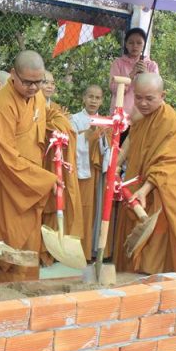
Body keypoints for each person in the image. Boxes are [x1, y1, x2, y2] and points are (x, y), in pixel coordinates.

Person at [112, 73, 176, 277]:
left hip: (163, 192)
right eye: (138, 97)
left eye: (149, 98)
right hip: (137, 186)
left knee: (157, 248)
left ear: (162, 95)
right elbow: (130, 140)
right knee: (134, 240)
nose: (143, 103)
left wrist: (144, 190)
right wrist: (116, 164)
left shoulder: (172, 122)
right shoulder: (140, 115)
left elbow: (168, 162)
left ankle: (161, 288)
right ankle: (131, 284)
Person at [0, 51, 56, 282]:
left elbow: (43, 126)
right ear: (13, 74)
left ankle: (28, 291)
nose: (33, 88)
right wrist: (44, 180)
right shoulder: (2, 104)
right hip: (9, 184)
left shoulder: (38, 98)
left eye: (39, 82)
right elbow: (5, 156)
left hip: (32, 186)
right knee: (8, 243)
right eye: (27, 82)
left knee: (29, 242)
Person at [40, 71, 84, 265]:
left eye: (52, 83)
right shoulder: (29, 106)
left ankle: (50, 253)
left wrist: (57, 124)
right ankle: (38, 250)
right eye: (45, 82)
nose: (49, 86)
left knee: (54, 204)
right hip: (37, 163)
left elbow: (68, 131)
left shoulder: (57, 110)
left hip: (54, 162)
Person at [70, 85, 111, 260]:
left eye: (97, 97)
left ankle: (95, 250)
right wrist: (87, 135)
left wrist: (103, 139)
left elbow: (110, 149)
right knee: (82, 210)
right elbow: (71, 144)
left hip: (99, 173)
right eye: (90, 97)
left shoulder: (106, 122)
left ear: (102, 101)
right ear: (83, 98)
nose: (93, 101)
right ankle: (80, 252)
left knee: (99, 209)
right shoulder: (74, 119)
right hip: (81, 172)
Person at [109, 27, 159, 116]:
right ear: (126, 44)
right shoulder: (118, 63)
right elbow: (113, 88)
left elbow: (156, 90)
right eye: (131, 43)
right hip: (120, 114)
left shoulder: (151, 65)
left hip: (143, 115)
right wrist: (132, 74)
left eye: (139, 43)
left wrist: (146, 74)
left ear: (144, 45)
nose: (135, 46)